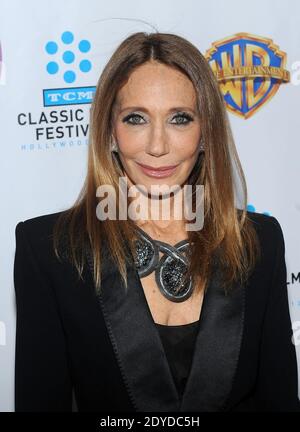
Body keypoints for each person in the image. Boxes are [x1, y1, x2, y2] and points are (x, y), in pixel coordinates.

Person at [13, 31, 300, 412]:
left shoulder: (258, 241)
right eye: (136, 119)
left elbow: (279, 398)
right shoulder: (50, 249)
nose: (158, 145)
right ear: (110, 133)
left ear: (204, 134)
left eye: (180, 118)